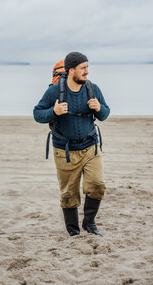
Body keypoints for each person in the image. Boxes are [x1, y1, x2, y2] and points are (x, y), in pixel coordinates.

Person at [33, 52, 110, 236]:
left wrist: (99, 108)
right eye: (83, 68)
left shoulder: (93, 88)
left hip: (91, 147)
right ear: (71, 70)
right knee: (69, 194)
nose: (87, 72)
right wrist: (54, 110)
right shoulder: (54, 92)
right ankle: (73, 232)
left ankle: (89, 224)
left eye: (87, 67)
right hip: (64, 151)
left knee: (97, 185)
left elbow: (105, 114)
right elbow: (37, 114)